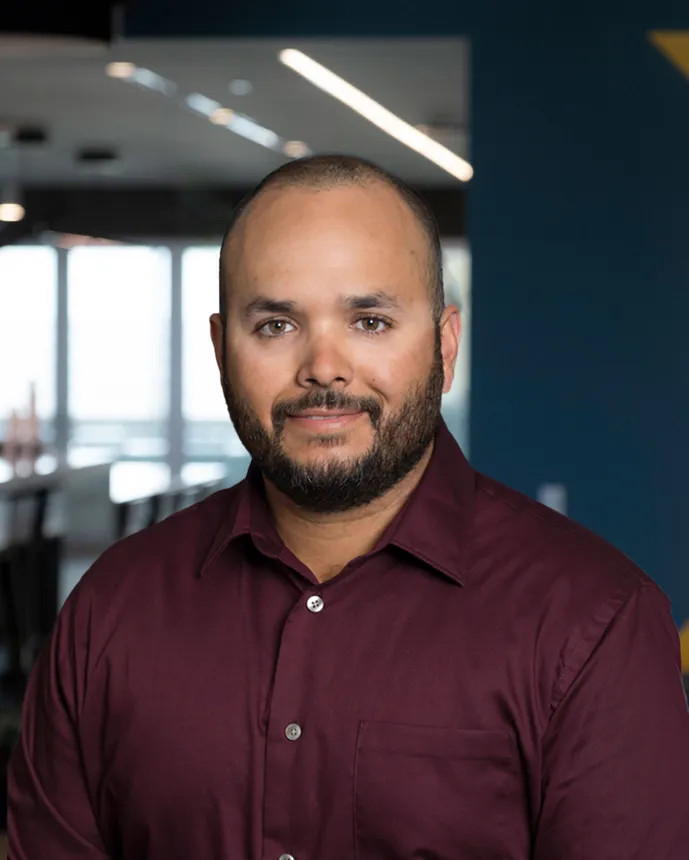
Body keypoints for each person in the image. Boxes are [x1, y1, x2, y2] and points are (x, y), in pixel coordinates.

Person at [8, 154, 689, 860]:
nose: (323, 367)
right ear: (219, 350)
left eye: (368, 320)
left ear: (444, 345)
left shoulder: (592, 622)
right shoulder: (110, 611)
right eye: (275, 325)